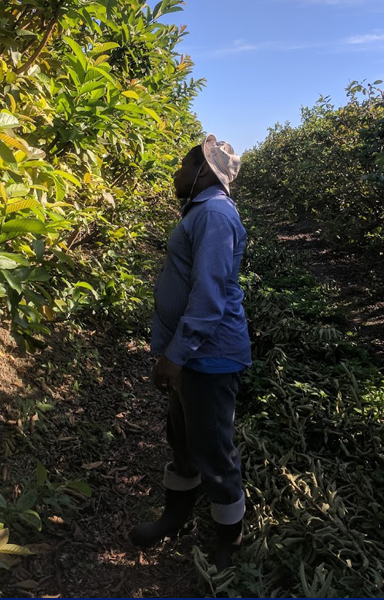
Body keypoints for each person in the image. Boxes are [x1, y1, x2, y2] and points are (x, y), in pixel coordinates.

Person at [130, 134, 252, 571]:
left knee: (213, 448)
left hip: (209, 355)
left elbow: (209, 294)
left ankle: (228, 540)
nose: (177, 173)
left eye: (184, 165)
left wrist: (176, 355)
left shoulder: (215, 215)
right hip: (192, 352)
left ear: (203, 171)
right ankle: (175, 516)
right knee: (183, 439)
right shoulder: (203, 211)